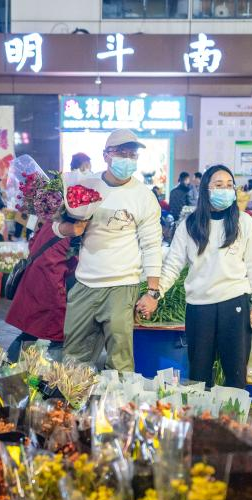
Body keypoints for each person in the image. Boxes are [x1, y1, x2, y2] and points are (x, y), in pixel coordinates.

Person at [142, 164, 252, 389]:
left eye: (229, 185)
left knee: (236, 374)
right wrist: (154, 294)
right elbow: (172, 267)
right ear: (206, 190)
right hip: (199, 309)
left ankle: (233, 423)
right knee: (199, 375)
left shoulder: (244, 222)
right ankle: (202, 421)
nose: (225, 190)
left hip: (235, 304)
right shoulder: (189, 226)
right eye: (218, 185)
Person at [59, 129, 162, 372]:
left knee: (120, 360)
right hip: (85, 284)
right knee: (74, 357)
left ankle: (119, 407)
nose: (127, 159)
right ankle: (73, 406)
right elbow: (56, 226)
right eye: (121, 153)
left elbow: (152, 245)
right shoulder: (85, 186)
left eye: (132, 155)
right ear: (106, 155)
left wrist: (153, 292)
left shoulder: (143, 197)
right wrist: (70, 228)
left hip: (122, 286)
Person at [5, 219, 78, 360]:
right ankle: (51, 376)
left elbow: (32, 245)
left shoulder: (48, 224)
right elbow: (75, 264)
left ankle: (8, 364)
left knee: (30, 331)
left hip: (33, 283)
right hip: (50, 289)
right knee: (55, 337)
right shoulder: (73, 232)